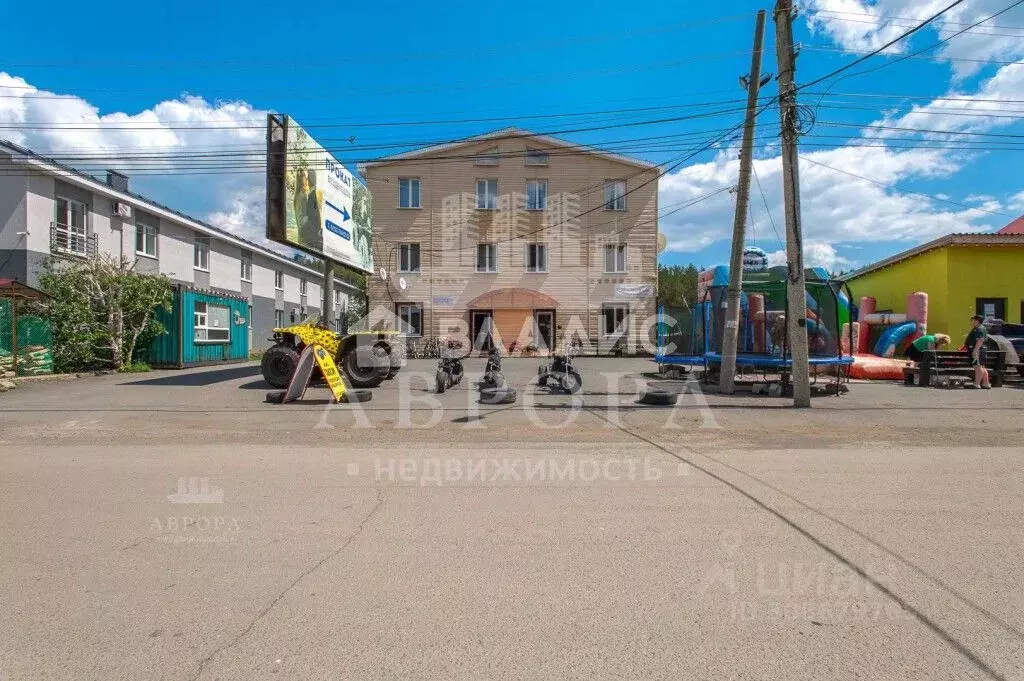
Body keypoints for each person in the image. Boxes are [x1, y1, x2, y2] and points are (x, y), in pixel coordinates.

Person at [964, 315, 991, 389]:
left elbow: (980, 340)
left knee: (978, 367)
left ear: (977, 321)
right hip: (980, 349)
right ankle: (986, 383)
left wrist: (975, 351)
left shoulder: (979, 329)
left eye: (973, 320)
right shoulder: (980, 328)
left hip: (978, 350)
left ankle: (976, 384)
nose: (971, 322)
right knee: (982, 366)